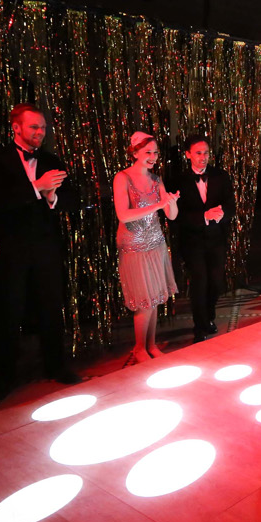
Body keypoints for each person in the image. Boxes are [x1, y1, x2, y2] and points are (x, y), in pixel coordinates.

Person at [0, 104, 82, 394]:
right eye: (34, 127)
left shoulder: (51, 159)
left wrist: (52, 198)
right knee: (9, 310)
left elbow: (71, 200)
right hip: (10, 248)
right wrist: (37, 188)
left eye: (43, 127)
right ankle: (6, 375)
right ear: (16, 128)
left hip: (46, 245)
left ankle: (56, 365)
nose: (40, 132)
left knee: (51, 305)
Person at [114, 132, 180, 364]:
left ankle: (150, 345)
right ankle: (139, 347)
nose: (153, 157)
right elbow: (123, 215)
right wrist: (159, 205)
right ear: (134, 153)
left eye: (155, 152)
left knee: (153, 298)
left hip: (155, 243)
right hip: (134, 245)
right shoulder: (122, 178)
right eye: (148, 152)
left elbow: (171, 216)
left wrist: (170, 203)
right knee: (144, 300)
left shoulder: (156, 179)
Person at [171, 134, 236, 343]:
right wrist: (203, 217)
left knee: (216, 282)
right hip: (193, 241)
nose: (203, 157)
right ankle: (200, 327)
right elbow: (176, 216)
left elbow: (231, 207)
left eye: (206, 153)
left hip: (217, 238)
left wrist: (222, 213)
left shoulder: (221, 175)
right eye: (198, 153)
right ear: (188, 154)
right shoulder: (177, 180)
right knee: (199, 283)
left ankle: (209, 317)